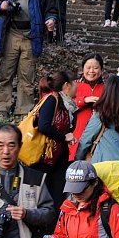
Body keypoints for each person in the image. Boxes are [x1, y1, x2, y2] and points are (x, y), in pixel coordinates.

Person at [31, 70, 78, 204]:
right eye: (75, 83)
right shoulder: (52, 100)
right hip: (44, 158)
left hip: (58, 158)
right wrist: (64, 137)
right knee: (41, 198)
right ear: (67, 86)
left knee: (56, 197)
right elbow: (43, 125)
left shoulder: (69, 106)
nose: (77, 87)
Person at [74, 75, 119, 164]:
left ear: (106, 92)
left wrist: (77, 161)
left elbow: (85, 141)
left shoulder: (101, 115)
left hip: (103, 166)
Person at [70, 54, 106, 148]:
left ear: (101, 70)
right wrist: (83, 100)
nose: (91, 71)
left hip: (100, 135)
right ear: (83, 69)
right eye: (88, 67)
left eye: (95, 68)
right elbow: (66, 104)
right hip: (76, 134)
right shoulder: (74, 85)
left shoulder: (107, 88)